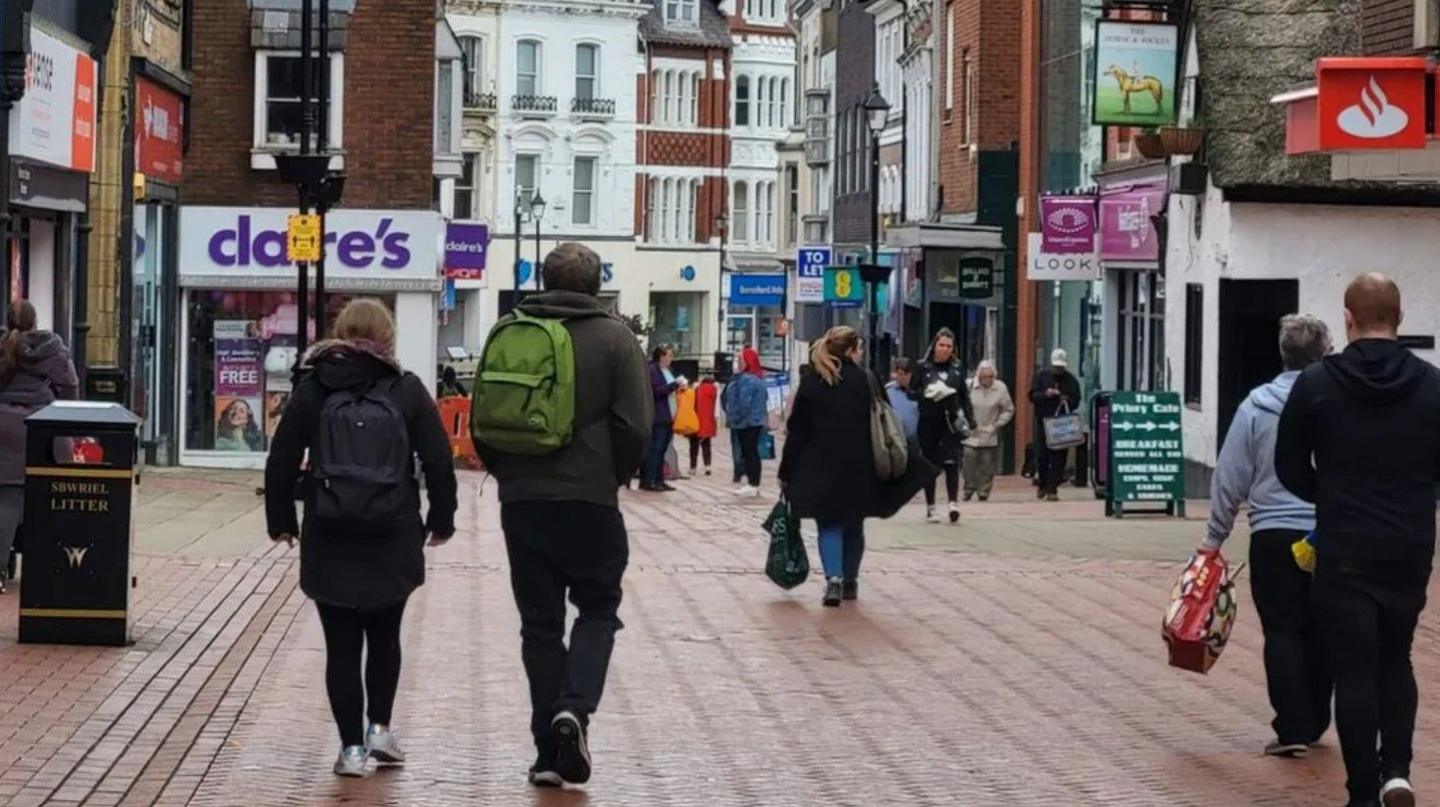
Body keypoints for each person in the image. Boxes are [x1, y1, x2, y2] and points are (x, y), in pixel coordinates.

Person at [474, 242, 651, 788]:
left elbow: (486, 415)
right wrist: (612, 475)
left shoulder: (510, 328)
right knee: (598, 608)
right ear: (596, 287)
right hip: (591, 499)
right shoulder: (617, 338)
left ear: (543, 279)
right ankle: (574, 707)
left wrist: (509, 472)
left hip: (523, 500)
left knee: (540, 626)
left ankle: (548, 753)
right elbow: (636, 428)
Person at [264, 299, 457, 779]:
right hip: (392, 531)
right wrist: (442, 519)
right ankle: (380, 728)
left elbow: (282, 458)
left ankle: (350, 749)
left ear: (340, 333)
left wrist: (282, 519)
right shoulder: (406, 390)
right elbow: (438, 460)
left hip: (330, 530)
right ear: (388, 338)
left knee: (341, 646)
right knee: (386, 636)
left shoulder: (315, 388)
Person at [1276, 274, 1440, 807]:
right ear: (1400, 316)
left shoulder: (1317, 384)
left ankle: (1362, 792)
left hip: (1344, 544)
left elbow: (1288, 465)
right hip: (1409, 544)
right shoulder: (1433, 386)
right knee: (1396, 658)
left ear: (1347, 318)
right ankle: (1398, 772)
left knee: (1353, 669)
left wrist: (1330, 495)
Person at [1202, 314, 1334, 759]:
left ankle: (1292, 724)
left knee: (1283, 629)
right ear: (1323, 354)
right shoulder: (1336, 401)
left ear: (1283, 353)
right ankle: (1317, 717)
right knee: (1323, 627)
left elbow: (1230, 474)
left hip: (1274, 531)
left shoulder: (1256, 405)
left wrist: (1214, 538)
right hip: (1328, 530)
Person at [779, 326, 882, 606]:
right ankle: (850, 580)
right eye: (858, 348)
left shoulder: (813, 382)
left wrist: (786, 470)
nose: (860, 354)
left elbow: (797, 430)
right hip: (859, 463)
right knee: (854, 525)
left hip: (820, 465)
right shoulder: (864, 380)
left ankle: (833, 580)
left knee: (829, 524)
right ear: (850, 350)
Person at [0, 300, 78, 592]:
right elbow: (70, 389)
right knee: (48, 498)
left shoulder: (3, 345)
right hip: (45, 428)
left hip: (4, 430)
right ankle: (47, 566)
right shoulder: (53, 349)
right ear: (35, 322)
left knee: (7, 499)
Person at [910, 329, 975, 524]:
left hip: (950, 421)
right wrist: (926, 394)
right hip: (929, 421)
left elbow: (964, 394)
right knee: (930, 465)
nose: (945, 349)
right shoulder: (923, 367)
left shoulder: (957, 367)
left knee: (952, 462)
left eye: (949, 346)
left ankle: (953, 503)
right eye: (942, 345)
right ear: (934, 346)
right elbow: (911, 392)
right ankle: (931, 507)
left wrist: (970, 419)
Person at [1028, 348, 1082, 502]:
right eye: (1056, 367)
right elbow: (1032, 396)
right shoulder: (1041, 377)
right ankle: (1043, 483)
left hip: (1062, 424)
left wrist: (1067, 400)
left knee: (1059, 457)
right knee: (1043, 456)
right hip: (1044, 421)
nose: (1058, 369)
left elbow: (1076, 400)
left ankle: (1053, 489)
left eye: (1061, 367)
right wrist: (1046, 394)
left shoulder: (1071, 380)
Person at [963, 360, 1014, 502]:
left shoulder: (1000, 388)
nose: (988, 380)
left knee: (987, 464)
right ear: (979, 376)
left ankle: (983, 491)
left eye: (991, 377)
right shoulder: (969, 385)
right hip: (971, 431)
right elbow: (960, 405)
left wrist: (998, 424)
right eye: (984, 377)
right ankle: (969, 488)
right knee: (969, 460)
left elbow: (1008, 410)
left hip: (990, 430)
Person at [722, 347, 768, 498]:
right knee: (751, 452)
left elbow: (743, 403)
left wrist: (733, 416)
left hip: (746, 423)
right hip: (754, 421)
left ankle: (752, 484)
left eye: (740, 359)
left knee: (749, 453)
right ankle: (753, 483)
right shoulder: (758, 379)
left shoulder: (747, 380)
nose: (737, 363)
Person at [643, 345, 685, 491]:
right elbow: (655, 391)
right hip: (659, 415)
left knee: (663, 449)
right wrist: (673, 385)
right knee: (656, 448)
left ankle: (659, 479)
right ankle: (649, 479)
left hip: (670, 414)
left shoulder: (669, 371)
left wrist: (678, 386)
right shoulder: (653, 370)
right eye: (668, 355)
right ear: (661, 356)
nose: (671, 359)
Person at [885, 358, 920, 442]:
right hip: (897, 440)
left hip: (917, 441)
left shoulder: (920, 391)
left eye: (906, 374)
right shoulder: (888, 392)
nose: (903, 377)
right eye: (900, 374)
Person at [690, 374, 718, 476]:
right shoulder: (714, 390)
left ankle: (693, 467)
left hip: (696, 420)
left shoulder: (697, 390)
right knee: (706, 445)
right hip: (708, 421)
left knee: (694, 446)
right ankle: (708, 467)